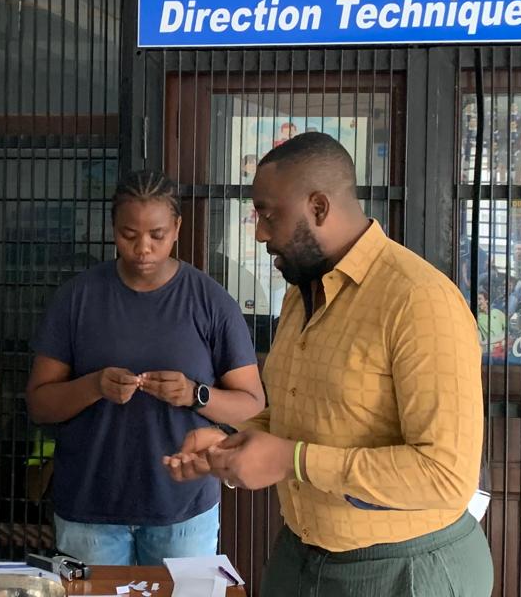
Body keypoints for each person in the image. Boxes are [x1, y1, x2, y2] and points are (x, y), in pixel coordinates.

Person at [164, 133, 491, 596]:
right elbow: (304, 414)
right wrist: (231, 445)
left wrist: (290, 459)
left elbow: (445, 476)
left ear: (318, 207)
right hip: (302, 557)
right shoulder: (302, 293)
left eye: (268, 215)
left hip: (405, 569)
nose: (259, 233)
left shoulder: (418, 300)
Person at [27, 170, 265, 566]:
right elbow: (38, 404)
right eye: (128, 234)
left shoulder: (210, 300)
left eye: (156, 235)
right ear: (112, 229)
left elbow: (253, 407)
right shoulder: (77, 298)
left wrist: (195, 394)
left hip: (183, 512)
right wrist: (92, 386)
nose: (142, 249)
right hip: (90, 509)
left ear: (177, 228)